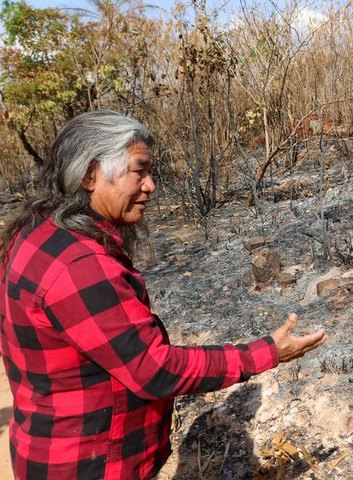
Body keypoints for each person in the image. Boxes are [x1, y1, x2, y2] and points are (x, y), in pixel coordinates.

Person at [0, 110, 327, 479]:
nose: (151, 185)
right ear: (91, 174)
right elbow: (155, 370)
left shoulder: (36, 231)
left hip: (47, 449)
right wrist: (264, 353)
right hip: (89, 465)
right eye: (139, 171)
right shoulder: (78, 264)